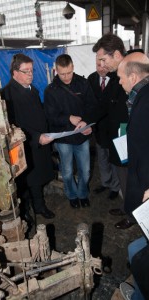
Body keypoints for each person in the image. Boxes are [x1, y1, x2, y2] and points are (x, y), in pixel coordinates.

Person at [1, 53, 55, 221]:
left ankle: (38, 206)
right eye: (26, 71)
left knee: (37, 178)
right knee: (24, 181)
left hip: (39, 143)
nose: (31, 74)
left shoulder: (31, 89)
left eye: (32, 70)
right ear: (14, 72)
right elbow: (14, 125)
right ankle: (23, 212)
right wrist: (37, 137)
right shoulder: (7, 94)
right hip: (24, 145)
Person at [44, 54, 97, 209]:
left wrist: (86, 123)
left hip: (81, 136)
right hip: (63, 138)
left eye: (69, 72)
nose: (66, 77)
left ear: (73, 67)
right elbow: (50, 117)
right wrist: (69, 118)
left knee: (85, 171)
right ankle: (72, 195)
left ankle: (82, 194)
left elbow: (92, 107)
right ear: (55, 71)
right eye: (62, 74)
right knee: (67, 172)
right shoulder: (50, 90)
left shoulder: (83, 83)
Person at [117, 52, 149, 299]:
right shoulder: (141, 96)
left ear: (134, 75)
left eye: (121, 77)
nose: (119, 82)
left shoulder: (146, 101)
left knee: (138, 253)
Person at [92, 33, 131, 229]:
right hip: (119, 139)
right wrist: (86, 122)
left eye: (103, 59)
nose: (101, 64)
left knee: (133, 180)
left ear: (116, 54)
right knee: (123, 178)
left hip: (130, 140)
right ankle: (126, 207)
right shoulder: (115, 77)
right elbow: (104, 105)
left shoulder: (131, 73)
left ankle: (133, 216)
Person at [88, 58, 120, 200]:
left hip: (113, 127)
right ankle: (105, 182)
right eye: (97, 65)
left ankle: (115, 187)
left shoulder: (117, 79)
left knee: (114, 159)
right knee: (102, 158)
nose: (101, 68)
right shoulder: (91, 79)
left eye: (103, 65)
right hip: (99, 128)